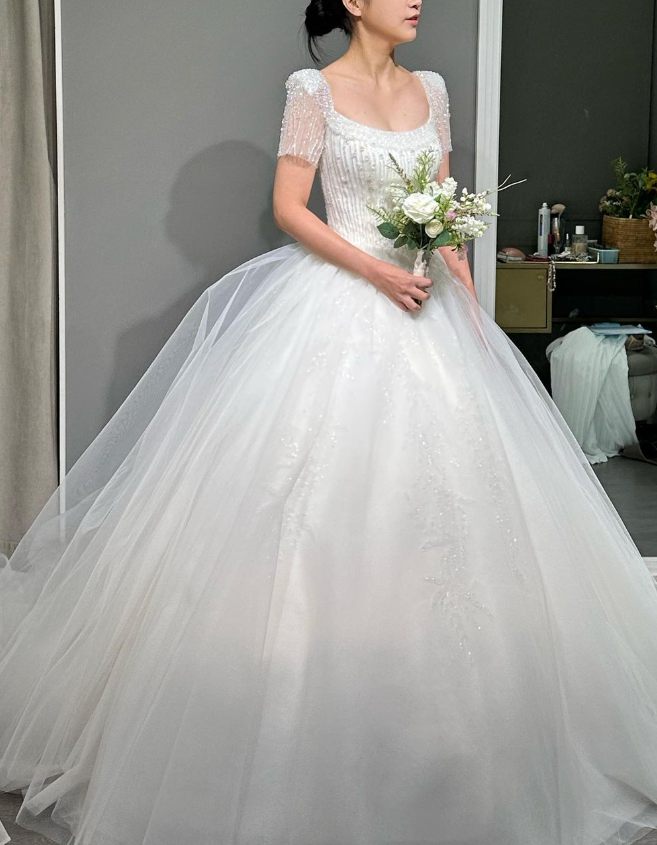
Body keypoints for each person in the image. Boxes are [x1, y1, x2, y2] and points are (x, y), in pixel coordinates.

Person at [2, 1, 657, 843]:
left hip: (427, 309)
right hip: (339, 305)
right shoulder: (311, 90)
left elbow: (444, 213)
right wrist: (378, 273)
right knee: (318, 507)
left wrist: (470, 310)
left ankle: (454, 730)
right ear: (352, 2)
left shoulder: (432, 88)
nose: (416, 0)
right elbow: (290, 206)